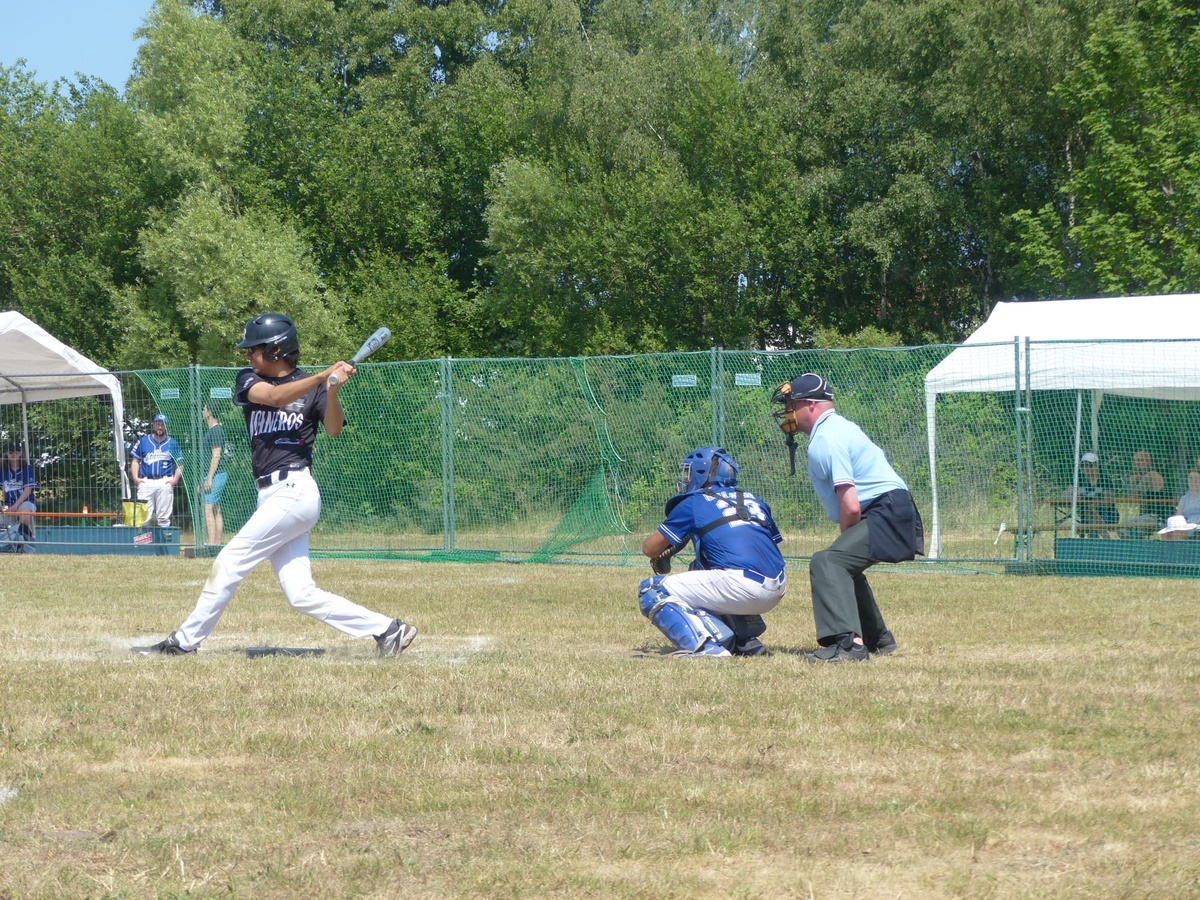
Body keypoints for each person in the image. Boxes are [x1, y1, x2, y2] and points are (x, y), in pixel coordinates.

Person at [135, 313, 417, 657]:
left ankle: (183, 642)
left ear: (275, 350)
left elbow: (333, 428)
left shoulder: (313, 388)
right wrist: (321, 376)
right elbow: (274, 397)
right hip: (269, 495)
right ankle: (388, 629)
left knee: (229, 561)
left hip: (295, 490)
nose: (248, 355)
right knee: (300, 594)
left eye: (253, 349)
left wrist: (331, 391)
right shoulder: (248, 379)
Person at [771, 374, 923, 662]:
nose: (787, 411)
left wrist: (845, 536)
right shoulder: (837, 428)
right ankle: (879, 640)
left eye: (792, 404)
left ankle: (848, 645)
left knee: (828, 562)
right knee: (841, 563)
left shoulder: (826, 438)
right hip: (893, 508)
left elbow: (850, 505)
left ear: (811, 405)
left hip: (886, 512)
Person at [638, 446, 786, 657]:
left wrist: (667, 549)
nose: (687, 477)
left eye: (690, 471)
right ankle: (745, 640)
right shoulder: (753, 499)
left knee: (651, 589)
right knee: (700, 568)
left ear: (704, 473)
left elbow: (650, 549)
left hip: (743, 588)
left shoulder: (694, 501)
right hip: (778, 587)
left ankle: (706, 648)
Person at [131, 414, 183, 527]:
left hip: (164, 481)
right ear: (153, 425)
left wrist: (175, 479)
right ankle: (142, 539)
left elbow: (180, 464)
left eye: (162, 425)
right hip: (146, 481)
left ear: (166, 427)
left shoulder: (172, 442)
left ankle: (164, 538)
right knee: (142, 517)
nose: (160, 427)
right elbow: (135, 461)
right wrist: (135, 478)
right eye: (158, 424)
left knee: (163, 518)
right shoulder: (144, 441)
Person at [1119, 449, 1172, 536]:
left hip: (1160, 517)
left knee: (1125, 528)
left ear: (1149, 462)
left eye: (1141, 460)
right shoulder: (1141, 477)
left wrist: (1132, 482)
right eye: (1136, 460)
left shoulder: (1152, 475)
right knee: (1123, 529)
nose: (1137, 463)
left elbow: (1133, 497)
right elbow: (1133, 500)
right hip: (1147, 516)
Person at [200, 403, 228, 545]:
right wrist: (203, 479)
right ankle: (216, 544)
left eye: (204, 409)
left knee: (208, 507)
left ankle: (211, 544)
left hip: (217, 475)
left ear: (209, 412)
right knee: (216, 508)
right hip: (210, 475)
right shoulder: (210, 431)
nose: (202, 412)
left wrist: (209, 479)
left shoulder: (216, 430)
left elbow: (216, 456)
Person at [1, 441, 37, 543]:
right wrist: (5, 505)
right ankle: (7, 544)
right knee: (1, 522)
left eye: (17, 451)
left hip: (26, 501)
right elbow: (3, 490)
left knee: (24, 516)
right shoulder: (2, 470)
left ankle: (24, 543)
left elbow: (28, 490)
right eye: (11, 452)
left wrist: (15, 506)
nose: (14, 454)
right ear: (6, 453)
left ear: (21, 453)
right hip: (9, 504)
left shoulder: (27, 469)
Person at [1074, 451, 1118, 534]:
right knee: (1084, 519)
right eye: (1084, 465)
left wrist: (1091, 505)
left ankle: (1105, 536)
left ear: (1097, 465)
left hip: (1108, 514)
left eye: (1090, 465)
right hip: (1086, 514)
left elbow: (1108, 502)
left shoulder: (1105, 479)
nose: (1087, 468)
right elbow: (1067, 494)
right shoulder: (1079, 478)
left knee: (1088, 512)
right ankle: (1103, 537)